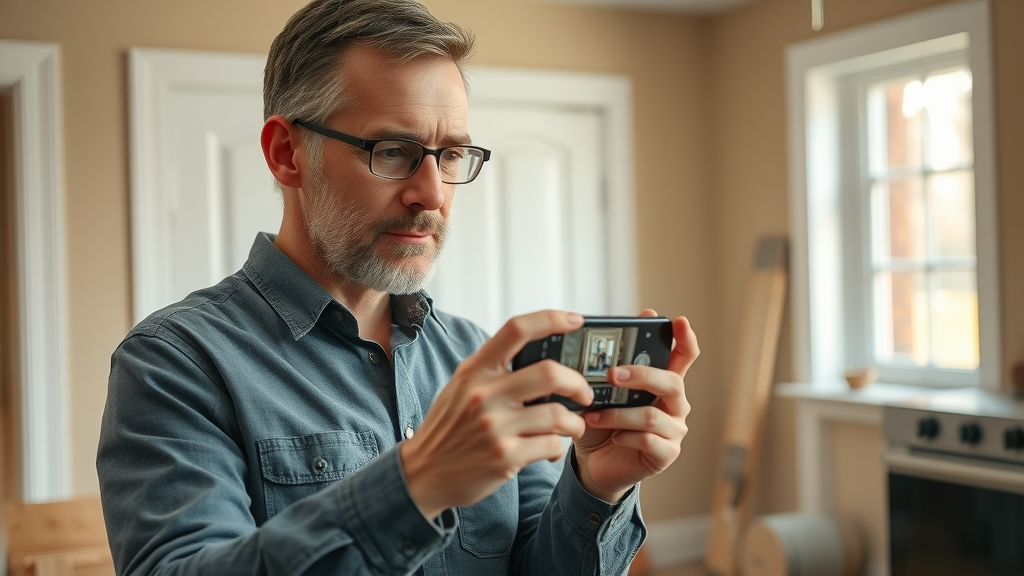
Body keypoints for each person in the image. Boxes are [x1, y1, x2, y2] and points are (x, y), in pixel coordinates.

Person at [96, 0, 698, 574]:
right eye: (392, 152)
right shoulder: (174, 365)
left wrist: (596, 486)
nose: (432, 194)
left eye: (452, 154)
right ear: (286, 153)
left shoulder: (475, 356)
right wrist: (419, 482)